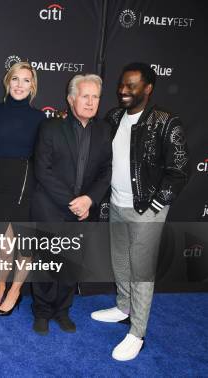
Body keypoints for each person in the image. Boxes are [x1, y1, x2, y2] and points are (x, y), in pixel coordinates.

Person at [91, 63, 189, 361]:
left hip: (147, 209)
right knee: (120, 261)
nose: (123, 90)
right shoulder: (114, 116)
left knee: (142, 273)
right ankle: (123, 307)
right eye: (122, 84)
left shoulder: (165, 122)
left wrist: (157, 205)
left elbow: (180, 170)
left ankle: (137, 333)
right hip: (117, 205)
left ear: (147, 89)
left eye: (131, 86)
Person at [31, 74, 112, 336]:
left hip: (84, 211)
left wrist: (89, 200)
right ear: (71, 99)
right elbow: (43, 171)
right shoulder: (51, 127)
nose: (90, 102)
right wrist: (71, 202)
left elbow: (106, 171)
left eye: (95, 97)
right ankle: (42, 312)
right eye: (85, 96)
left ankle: (62, 311)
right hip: (51, 207)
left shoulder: (104, 130)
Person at [0, 62, 45, 316]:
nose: (20, 85)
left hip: (26, 186)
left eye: (26, 80)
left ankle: (15, 291)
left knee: (23, 245)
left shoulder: (39, 118)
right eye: (15, 79)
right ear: (7, 82)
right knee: (3, 245)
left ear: (32, 86)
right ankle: (1, 286)